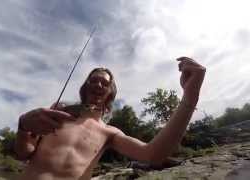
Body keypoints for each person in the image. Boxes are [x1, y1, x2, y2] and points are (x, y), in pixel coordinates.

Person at [15, 57, 206, 180]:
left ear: (109, 93)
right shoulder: (58, 112)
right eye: (93, 80)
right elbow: (24, 153)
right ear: (85, 87)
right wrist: (23, 127)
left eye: (104, 83)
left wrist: (190, 96)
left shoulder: (109, 132)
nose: (98, 84)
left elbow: (154, 155)